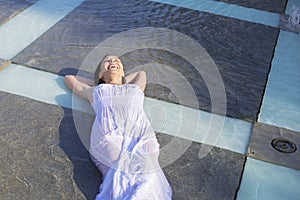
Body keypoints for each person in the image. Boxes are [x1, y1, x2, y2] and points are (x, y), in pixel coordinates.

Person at [64, 55, 172, 200]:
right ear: (100, 72)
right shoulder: (94, 91)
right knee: (118, 174)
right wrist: (101, 81)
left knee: (149, 175)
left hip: (141, 136)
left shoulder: (135, 87)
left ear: (123, 70)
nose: (113, 62)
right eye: (107, 61)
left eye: (117, 60)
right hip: (109, 136)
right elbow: (69, 78)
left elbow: (141, 73)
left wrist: (118, 79)